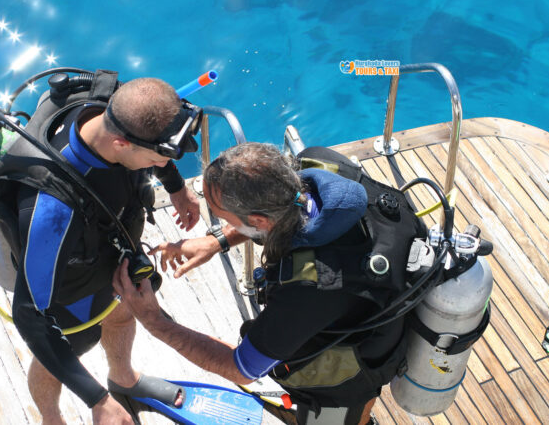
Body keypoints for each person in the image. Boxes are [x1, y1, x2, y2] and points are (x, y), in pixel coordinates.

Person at [114, 143, 423, 425]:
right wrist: (215, 241)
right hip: (382, 297)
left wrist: (154, 321)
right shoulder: (321, 169)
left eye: (226, 219)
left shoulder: (309, 288)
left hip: (355, 364)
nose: (225, 224)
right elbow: (284, 212)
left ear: (258, 221)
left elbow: (241, 369)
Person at [0, 77, 200, 424]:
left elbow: (152, 142)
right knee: (59, 359)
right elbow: (29, 316)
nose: (162, 164)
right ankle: (51, 417)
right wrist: (97, 401)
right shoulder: (53, 209)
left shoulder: (114, 113)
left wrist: (177, 186)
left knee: (120, 315)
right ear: (121, 143)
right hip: (70, 288)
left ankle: (124, 379)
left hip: (111, 260)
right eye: (159, 158)